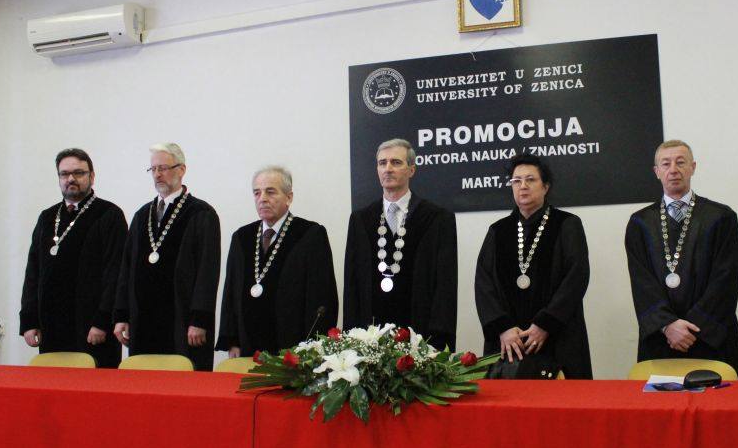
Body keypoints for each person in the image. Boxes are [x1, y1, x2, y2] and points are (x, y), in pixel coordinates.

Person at [624, 140, 738, 376]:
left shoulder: (721, 217)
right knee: (661, 399)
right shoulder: (640, 223)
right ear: (656, 172)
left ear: (693, 167)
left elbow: (726, 279)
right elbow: (641, 282)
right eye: (665, 164)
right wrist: (667, 324)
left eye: (680, 162)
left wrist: (692, 328)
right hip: (660, 338)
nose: (673, 170)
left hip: (710, 337)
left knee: (717, 398)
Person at [475, 154, 592, 378]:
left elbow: (576, 277)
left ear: (545, 186)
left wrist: (546, 324)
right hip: (509, 342)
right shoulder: (498, 231)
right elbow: (483, 284)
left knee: (563, 398)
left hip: (557, 338)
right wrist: (503, 327)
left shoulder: (567, 224)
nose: (523, 186)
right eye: (516, 181)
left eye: (530, 179)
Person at [112, 143, 221, 371]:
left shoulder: (201, 213)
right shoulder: (142, 215)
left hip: (184, 323)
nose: (157, 174)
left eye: (163, 168)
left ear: (181, 170)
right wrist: (122, 315)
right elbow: (126, 269)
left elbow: (207, 272)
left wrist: (199, 320)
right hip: (143, 321)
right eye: (153, 169)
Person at [343, 138, 458, 350]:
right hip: (369, 339)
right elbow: (352, 285)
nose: (388, 168)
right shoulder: (361, 220)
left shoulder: (438, 219)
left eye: (396, 162)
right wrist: (350, 339)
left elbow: (445, 287)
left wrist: (439, 341)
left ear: (411, 170)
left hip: (422, 336)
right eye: (382, 163)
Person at [19, 148, 127, 367]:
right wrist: (29, 320)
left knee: (95, 386)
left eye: (78, 173)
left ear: (92, 176)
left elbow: (115, 274)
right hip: (51, 326)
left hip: (92, 328)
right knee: (53, 385)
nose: (71, 179)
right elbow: (33, 272)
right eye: (64, 174)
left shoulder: (109, 214)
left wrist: (102, 321)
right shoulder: (47, 217)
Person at [216, 166, 338, 358]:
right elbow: (231, 292)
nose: (262, 198)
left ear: (289, 197)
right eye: (257, 193)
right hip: (247, 347)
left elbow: (321, 296)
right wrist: (232, 340)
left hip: (293, 349)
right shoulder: (242, 237)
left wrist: (313, 348)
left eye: (270, 192)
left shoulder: (310, 234)